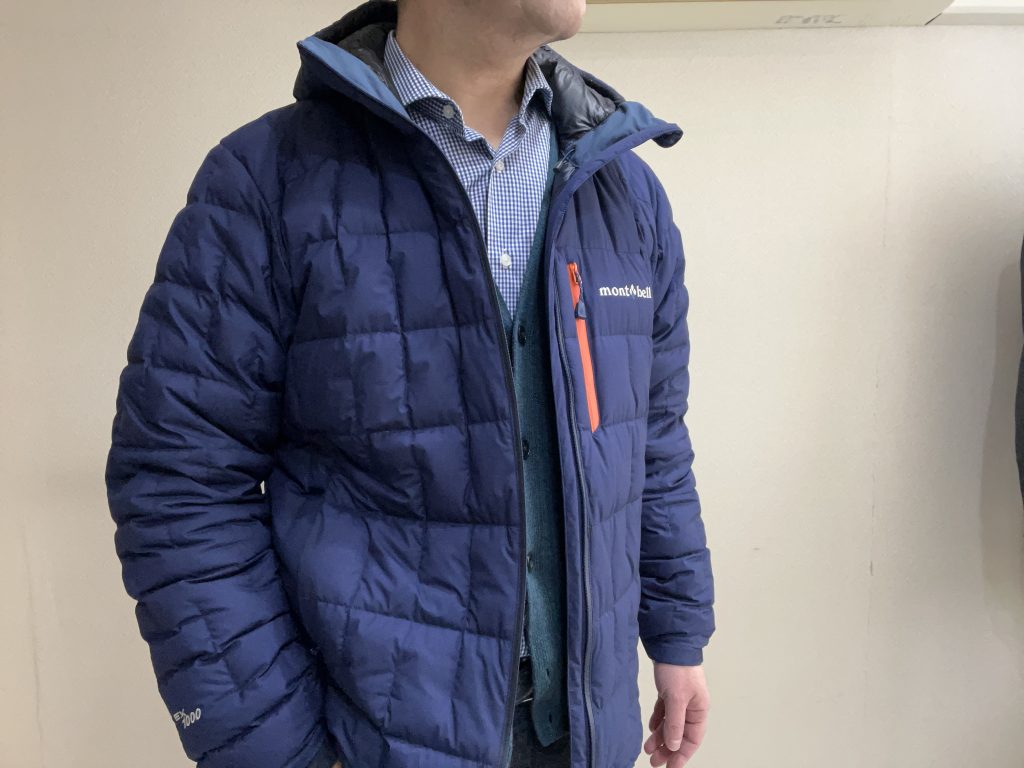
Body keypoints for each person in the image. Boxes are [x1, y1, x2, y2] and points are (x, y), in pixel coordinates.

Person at [103, 1, 715, 766]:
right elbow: (179, 480)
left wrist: (678, 633)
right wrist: (274, 750)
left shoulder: (626, 194)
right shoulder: (267, 180)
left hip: (586, 736)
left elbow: (651, 439)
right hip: (372, 743)